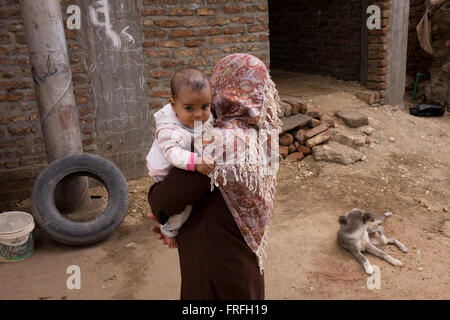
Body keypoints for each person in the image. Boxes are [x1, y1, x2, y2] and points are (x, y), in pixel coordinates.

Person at [147, 53, 282, 299]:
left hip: (213, 255)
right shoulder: (265, 136)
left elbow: (168, 198)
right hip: (246, 249)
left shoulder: (217, 142)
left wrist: (160, 210)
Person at [146, 68, 215, 249]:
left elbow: (210, 125)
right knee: (184, 207)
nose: (199, 114)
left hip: (186, 160)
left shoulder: (201, 116)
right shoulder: (168, 129)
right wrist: (197, 162)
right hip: (166, 171)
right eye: (189, 108)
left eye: (205, 106)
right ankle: (169, 229)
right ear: (173, 105)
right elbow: (173, 154)